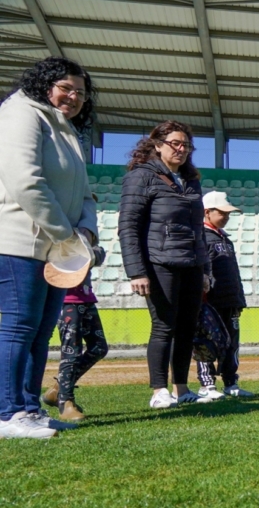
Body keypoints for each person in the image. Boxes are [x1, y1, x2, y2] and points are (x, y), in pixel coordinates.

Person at [0, 57, 98, 439]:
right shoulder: (21, 112)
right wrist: (66, 234)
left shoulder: (67, 130)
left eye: (80, 93)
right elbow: (25, 180)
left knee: (40, 332)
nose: (73, 97)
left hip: (56, 248)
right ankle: (7, 413)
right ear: (45, 84)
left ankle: (28, 408)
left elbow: (85, 193)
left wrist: (86, 232)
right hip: (19, 241)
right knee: (19, 327)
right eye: (66, 88)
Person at [120, 120, 212, 409]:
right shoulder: (142, 177)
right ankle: (159, 390)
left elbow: (199, 229)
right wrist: (136, 271)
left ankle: (182, 388)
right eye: (175, 143)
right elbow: (128, 226)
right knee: (164, 326)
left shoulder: (191, 180)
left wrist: (205, 268)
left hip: (192, 264)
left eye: (186, 144)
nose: (181, 149)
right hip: (160, 263)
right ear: (157, 145)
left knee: (187, 327)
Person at [42, 240, 109, 422]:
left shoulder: (84, 231)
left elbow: (98, 253)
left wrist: (84, 254)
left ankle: (58, 389)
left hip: (86, 296)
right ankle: (66, 402)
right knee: (71, 352)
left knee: (99, 348)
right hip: (66, 298)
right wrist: (85, 255)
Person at [194, 191, 252, 398]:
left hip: (231, 301)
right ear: (207, 212)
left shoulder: (226, 240)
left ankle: (230, 382)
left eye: (228, 213)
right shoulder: (201, 237)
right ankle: (207, 385)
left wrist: (239, 300)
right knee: (207, 343)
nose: (226, 217)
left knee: (231, 344)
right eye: (222, 212)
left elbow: (233, 272)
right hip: (211, 302)